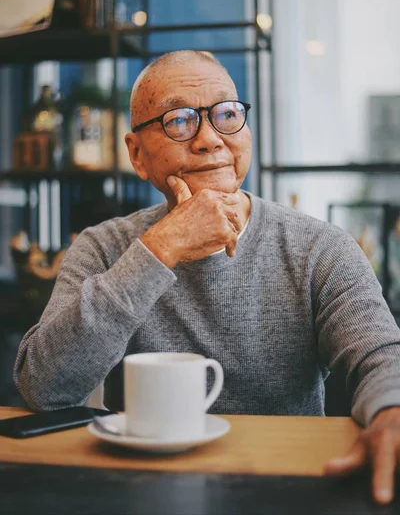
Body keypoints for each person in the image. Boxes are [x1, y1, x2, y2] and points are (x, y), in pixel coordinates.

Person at [14, 50, 400, 504]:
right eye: (179, 120)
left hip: (283, 481)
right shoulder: (103, 246)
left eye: (227, 114)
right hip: (141, 488)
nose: (210, 139)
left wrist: (391, 410)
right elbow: (44, 387)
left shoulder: (319, 248)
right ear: (137, 155)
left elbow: (380, 355)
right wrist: (161, 248)